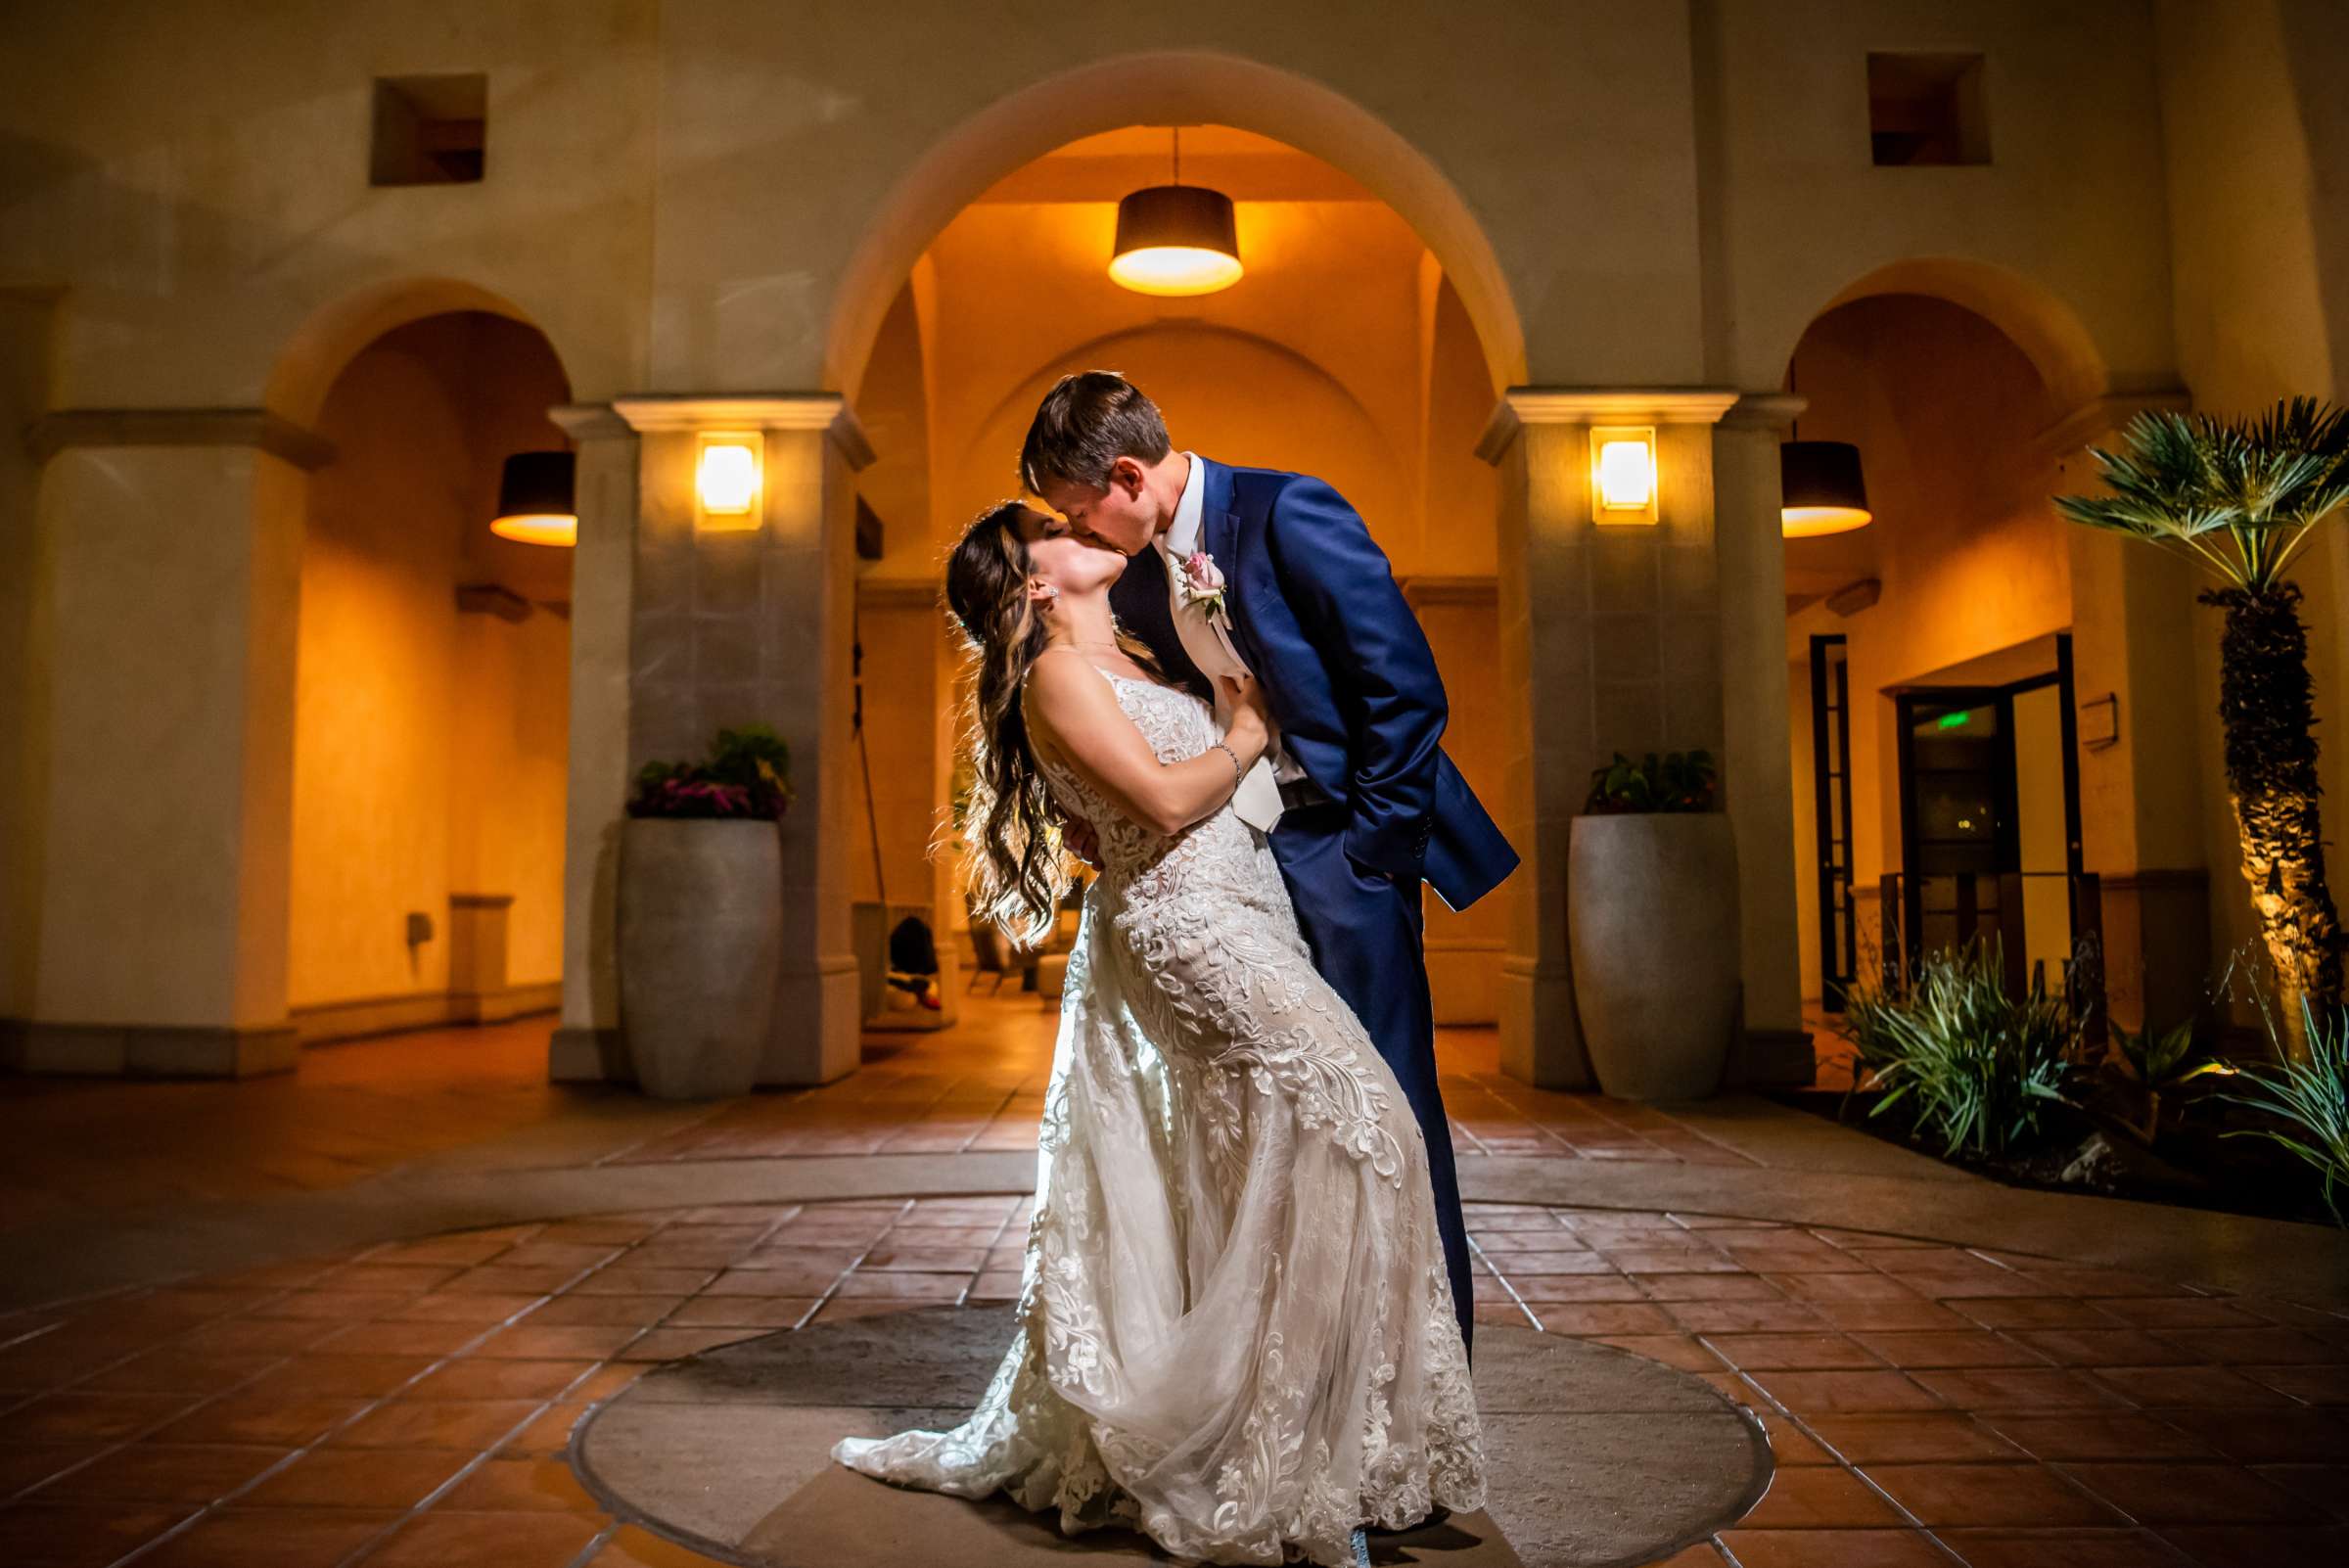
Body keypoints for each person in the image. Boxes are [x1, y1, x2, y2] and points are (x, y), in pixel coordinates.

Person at [830, 499, 1487, 1567]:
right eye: (1050, 526)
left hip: (1253, 906)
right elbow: (1167, 798)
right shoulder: (1055, 674)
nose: (1079, 526)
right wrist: (1240, 736)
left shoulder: (1136, 647)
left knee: (1260, 1170)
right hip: (1186, 929)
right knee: (1367, 1122)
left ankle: (1303, 1442)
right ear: (1035, 583)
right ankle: (1269, 1445)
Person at [1024, 372, 1519, 1369]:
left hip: (1342, 850)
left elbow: (1406, 691)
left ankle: (1430, 1369)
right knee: (1294, 1114)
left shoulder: (1293, 511)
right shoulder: (1144, 573)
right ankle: (1318, 1355)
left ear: (1125, 476)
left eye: (1082, 510)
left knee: (1391, 1102)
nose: (1083, 532)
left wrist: (1371, 857)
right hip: (1243, 862)